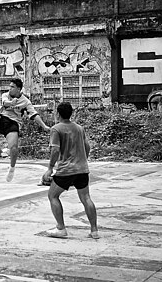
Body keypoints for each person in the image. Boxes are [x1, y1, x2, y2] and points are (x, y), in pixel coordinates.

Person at [42, 101, 99, 239]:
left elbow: (55, 150)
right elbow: (87, 147)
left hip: (66, 170)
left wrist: (50, 168)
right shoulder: (79, 128)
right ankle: (94, 230)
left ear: (58, 113)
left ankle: (61, 228)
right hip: (82, 169)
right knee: (86, 198)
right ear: (71, 113)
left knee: (53, 195)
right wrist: (83, 160)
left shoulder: (56, 129)